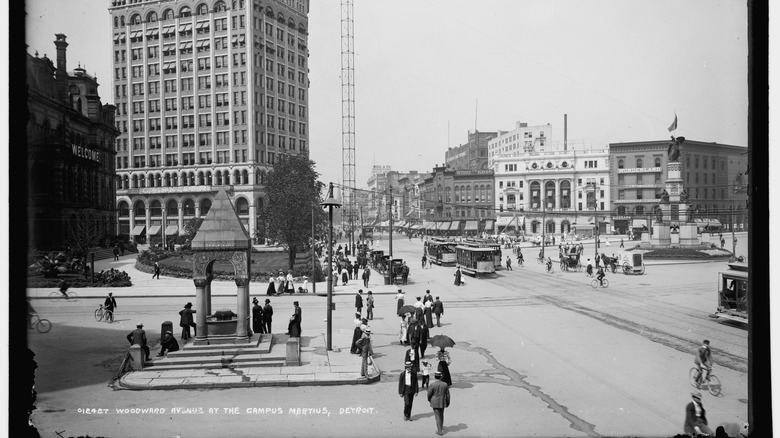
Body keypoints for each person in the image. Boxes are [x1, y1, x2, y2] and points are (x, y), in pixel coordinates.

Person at [427, 370, 451, 436]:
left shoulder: (432, 385)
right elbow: (448, 394)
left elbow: (429, 394)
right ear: (441, 377)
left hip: (435, 401)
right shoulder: (445, 384)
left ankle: (439, 431)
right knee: (441, 415)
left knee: (437, 416)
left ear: (435, 377)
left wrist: (430, 400)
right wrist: (447, 402)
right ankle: (441, 426)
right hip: (442, 401)